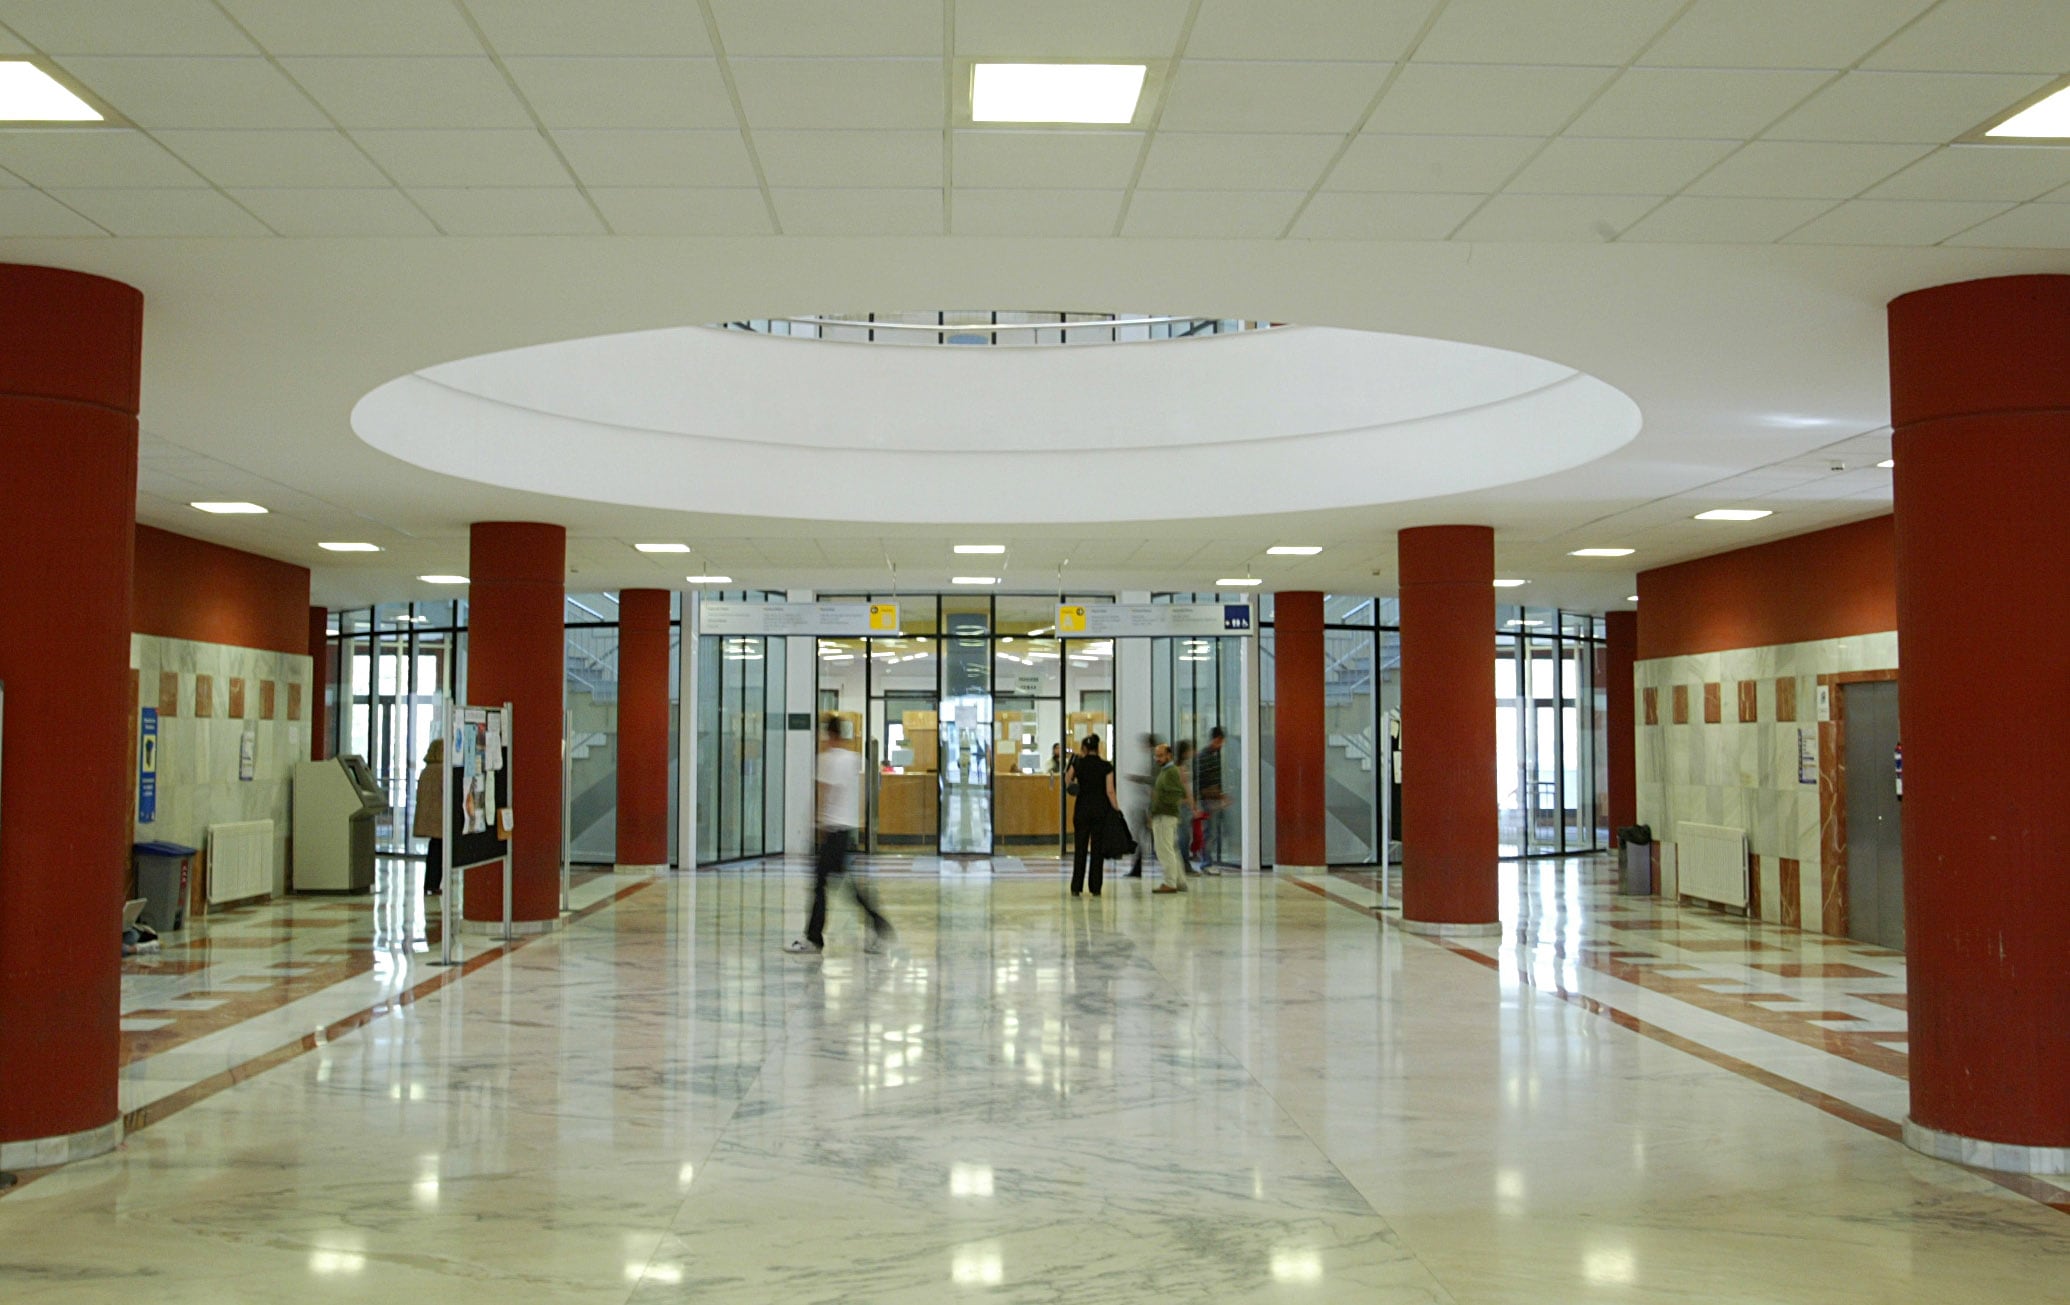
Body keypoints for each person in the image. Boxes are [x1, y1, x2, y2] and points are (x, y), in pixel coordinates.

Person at [787, 716, 894, 955]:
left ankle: (814, 938)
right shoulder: (855, 759)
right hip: (846, 830)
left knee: (821, 884)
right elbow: (862, 793)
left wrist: (819, 827)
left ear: (830, 735)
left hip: (832, 830)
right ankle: (877, 924)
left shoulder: (827, 760)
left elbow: (825, 793)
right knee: (841, 886)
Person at [1068, 733, 1117, 897]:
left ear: (1084, 748)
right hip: (1100, 811)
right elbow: (1110, 791)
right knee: (1097, 850)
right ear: (1098, 747)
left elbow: (1067, 781)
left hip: (1082, 809)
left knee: (1080, 849)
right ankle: (1095, 886)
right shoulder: (1106, 766)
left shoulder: (1078, 763)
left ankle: (1076, 886)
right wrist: (1116, 810)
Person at [1149, 742, 1192, 894]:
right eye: (1156, 756)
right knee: (1171, 850)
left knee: (1164, 850)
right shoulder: (1166, 772)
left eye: (1161, 755)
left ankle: (1170, 882)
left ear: (1169, 755)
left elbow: (1176, 793)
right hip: (1164, 815)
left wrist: (1158, 807)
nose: (1158, 758)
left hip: (1164, 816)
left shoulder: (1171, 772)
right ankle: (1179, 881)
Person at [1123, 733, 1159, 878]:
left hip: (1143, 805)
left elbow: (1152, 782)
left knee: (1139, 836)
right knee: (1144, 836)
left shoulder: (1152, 761)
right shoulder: (1150, 760)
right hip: (1142, 804)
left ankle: (1137, 867)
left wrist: (1137, 779)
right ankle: (1137, 866)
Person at [412, 738, 445, 895]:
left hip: (429, 817)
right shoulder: (443, 771)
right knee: (440, 853)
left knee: (433, 851)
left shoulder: (426, 771)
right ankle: (434, 884)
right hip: (440, 818)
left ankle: (429, 884)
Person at [1195, 725, 1229, 872]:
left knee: (1214, 832)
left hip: (1214, 799)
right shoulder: (1205, 757)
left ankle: (1207, 860)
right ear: (1217, 739)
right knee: (1211, 832)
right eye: (1221, 741)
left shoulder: (1213, 755)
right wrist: (1218, 795)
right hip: (1209, 800)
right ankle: (1206, 862)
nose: (1222, 744)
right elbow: (1203, 782)